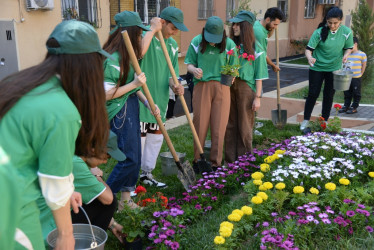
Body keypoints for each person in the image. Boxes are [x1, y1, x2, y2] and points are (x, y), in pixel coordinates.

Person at [0, 20, 110, 249]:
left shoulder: (20, 84)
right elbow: (55, 185)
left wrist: (67, 192)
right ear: (89, 66)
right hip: (12, 213)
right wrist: (66, 235)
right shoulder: (61, 110)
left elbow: (31, 153)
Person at [103, 11, 161, 210]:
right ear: (128, 33)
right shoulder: (112, 58)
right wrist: (134, 84)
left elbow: (133, 87)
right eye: (138, 34)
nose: (139, 38)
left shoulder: (128, 55)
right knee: (129, 159)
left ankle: (126, 201)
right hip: (119, 110)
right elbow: (107, 94)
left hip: (131, 106)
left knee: (134, 159)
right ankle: (103, 199)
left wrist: (148, 103)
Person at [38, 131, 127, 245]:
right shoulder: (77, 165)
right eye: (106, 157)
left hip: (43, 216)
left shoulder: (70, 153)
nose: (105, 161)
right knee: (109, 203)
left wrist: (113, 224)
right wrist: (97, 176)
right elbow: (108, 199)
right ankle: (90, 244)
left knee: (95, 198)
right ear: (93, 150)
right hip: (47, 230)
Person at [139, 6, 187, 187]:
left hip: (160, 98)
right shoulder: (146, 36)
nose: (174, 33)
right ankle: (131, 177)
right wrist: (152, 31)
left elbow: (172, 73)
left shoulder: (173, 46)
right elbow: (138, 55)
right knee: (139, 139)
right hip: (142, 97)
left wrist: (176, 86)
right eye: (173, 28)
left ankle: (147, 174)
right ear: (162, 22)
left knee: (155, 137)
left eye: (177, 30)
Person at [185, 16, 238, 170]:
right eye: (210, 38)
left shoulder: (229, 44)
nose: (213, 42)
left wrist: (232, 75)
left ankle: (216, 163)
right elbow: (189, 63)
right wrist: (194, 70)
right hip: (202, 86)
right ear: (204, 32)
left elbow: (234, 67)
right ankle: (197, 160)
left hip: (222, 86)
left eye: (216, 39)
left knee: (219, 126)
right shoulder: (196, 41)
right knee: (200, 124)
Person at [225, 11, 268, 163]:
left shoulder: (256, 47)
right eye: (233, 24)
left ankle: (244, 162)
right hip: (229, 86)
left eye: (238, 24)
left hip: (246, 88)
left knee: (244, 125)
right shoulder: (231, 44)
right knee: (229, 124)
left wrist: (257, 97)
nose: (234, 27)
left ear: (246, 27)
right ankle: (229, 161)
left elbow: (260, 74)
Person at [300, 7, 354, 130]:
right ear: (326, 20)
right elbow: (309, 49)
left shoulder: (347, 32)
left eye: (335, 23)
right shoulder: (319, 32)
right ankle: (306, 120)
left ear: (341, 20)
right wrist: (309, 58)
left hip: (334, 69)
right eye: (330, 23)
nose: (332, 25)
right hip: (317, 67)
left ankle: (324, 121)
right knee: (313, 93)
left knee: (329, 95)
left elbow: (348, 47)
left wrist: (346, 55)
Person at [339, 36, 367, 114]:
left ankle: (354, 107)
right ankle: (346, 106)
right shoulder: (346, 54)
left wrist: (361, 74)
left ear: (355, 44)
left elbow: (364, 65)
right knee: (347, 93)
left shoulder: (362, 54)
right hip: (346, 77)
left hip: (356, 78)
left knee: (356, 93)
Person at [253, 7, 285, 75]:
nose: (276, 27)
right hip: (255, 67)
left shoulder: (259, 24)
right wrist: (273, 65)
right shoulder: (259, 33)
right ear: (268, 19)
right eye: (275, 24)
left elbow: (268, 35)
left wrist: (272, 27)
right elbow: (263, 54)